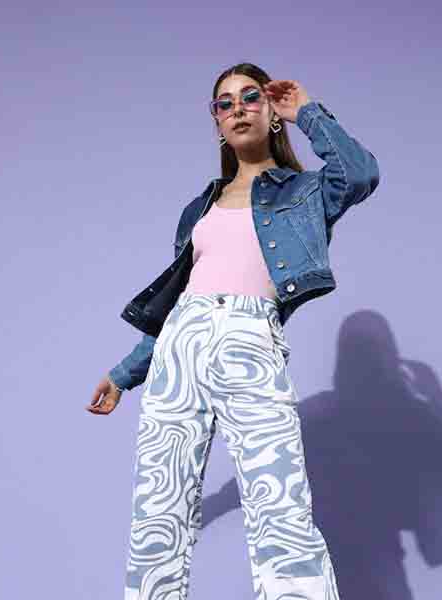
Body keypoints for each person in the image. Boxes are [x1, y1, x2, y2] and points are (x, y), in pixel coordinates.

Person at [86, 62, 380, 600]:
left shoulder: (305, 192)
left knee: (280, 507)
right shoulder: (198, 208)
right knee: (158, 510)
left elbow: (359, 174)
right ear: (217, 122)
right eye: (225, 103)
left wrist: (307, 112)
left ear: (271, 113)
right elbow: (178, 300)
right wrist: (124, 373)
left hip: (250, 340)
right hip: (180, 347)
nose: (238, 109)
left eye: (250, 97)